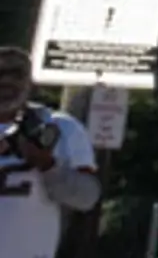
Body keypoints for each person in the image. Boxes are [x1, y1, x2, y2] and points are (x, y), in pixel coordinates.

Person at [0, 47, 99, 258]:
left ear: (31, 82)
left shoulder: (61, 128)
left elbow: (86, 198)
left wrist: (47, 165)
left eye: (16, 73)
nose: (6, 81)